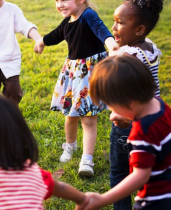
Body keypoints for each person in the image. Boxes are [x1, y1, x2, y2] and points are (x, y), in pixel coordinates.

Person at [34, 0, 118, 177]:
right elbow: (55, 35)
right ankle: (70, 145)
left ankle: (87, 160)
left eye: (64, 0)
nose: (59, 4)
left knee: (88, 118)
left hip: (90, 74)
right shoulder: (68, 21)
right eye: (57, 1)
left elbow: (102, 31)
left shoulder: (88, 15)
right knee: (71, 115)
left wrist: (112, 47)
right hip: (73, 75)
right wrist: (41, 42)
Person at [76, 55, 171, 210]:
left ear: (129, 103)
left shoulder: (142, 133)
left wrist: (102, 199)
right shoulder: (159, 105)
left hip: (156, 201)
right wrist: (128, 115)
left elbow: (140, 176)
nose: (111, 111)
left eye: (111, 105)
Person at [109, 0, 163, 209]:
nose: (113, 28)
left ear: (139, 29)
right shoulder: (149, 47)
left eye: (120, 22)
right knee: (146, 170)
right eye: (114, 21)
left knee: (119, 173)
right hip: (153, 119)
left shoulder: (127, 55)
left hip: (127, 122)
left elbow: (115, 85)